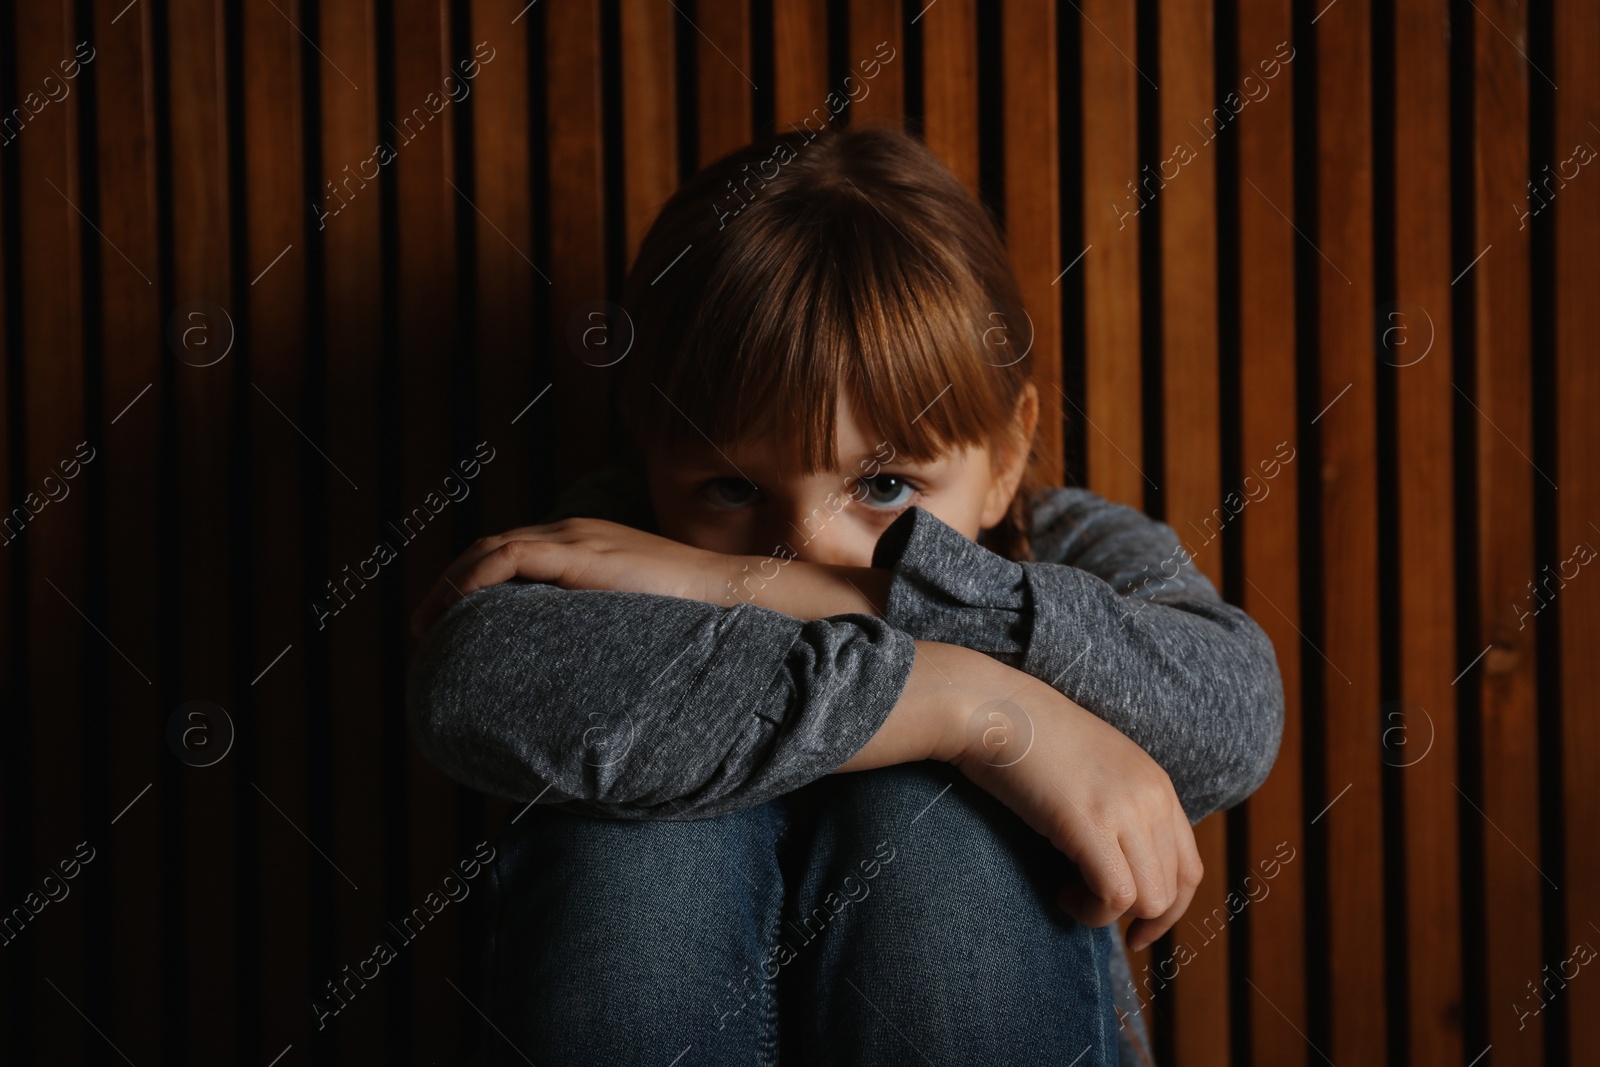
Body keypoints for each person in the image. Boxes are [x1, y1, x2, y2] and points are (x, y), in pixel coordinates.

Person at [406, 124, 1284, 1066]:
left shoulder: (1064, 544)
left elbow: (1233, 712)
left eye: (887, 486)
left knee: (937, 828)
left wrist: (746, 585)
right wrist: (967, 703)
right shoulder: (616, 533)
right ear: (650, 458)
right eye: (734, 488)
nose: (806, 544)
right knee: (634, 842)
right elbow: (467, 682)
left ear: (1008, 455)